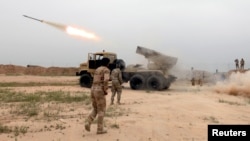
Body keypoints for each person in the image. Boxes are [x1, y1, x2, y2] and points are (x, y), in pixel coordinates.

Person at [85, 57, 110, 134]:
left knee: (95, 108)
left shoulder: (97, 70)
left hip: (93, 89)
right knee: (101, 110)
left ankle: (88, 122)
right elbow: (106, 80)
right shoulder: (106, 70)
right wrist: (105, 89)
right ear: (107, 63)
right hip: (99, 90)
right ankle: (100, 129)